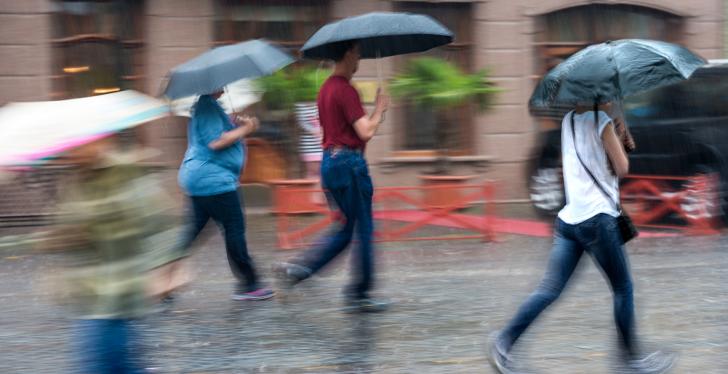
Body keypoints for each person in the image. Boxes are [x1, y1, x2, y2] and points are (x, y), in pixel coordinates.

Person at [488, 103, 673, 374]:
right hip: (598, 220)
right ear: (600, 94)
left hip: (569, 220)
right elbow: (622, 167)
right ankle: (631, 359)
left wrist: (618, 132)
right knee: (623, 289)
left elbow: (588, 160)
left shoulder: (569, 121)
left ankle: (504, 342)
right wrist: (617, 133)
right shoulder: (601, 121)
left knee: (548, 290)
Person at [40, 137, 185, 373]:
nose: (73, 151)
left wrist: (165, 268)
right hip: (88, 293)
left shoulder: (124, 174)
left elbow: (159, 223)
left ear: (100, 141)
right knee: (116, 364)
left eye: (81, 144)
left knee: (102, 363)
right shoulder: (75, 182)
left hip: (118, 290)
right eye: (71, 146)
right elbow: (69, 231)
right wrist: (62, 238)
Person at [274, 40, 390, 311]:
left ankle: (298, 270)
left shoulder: (325, 88)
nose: (360, 58)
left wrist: (374, 115)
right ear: (348, 53)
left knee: (346, 229)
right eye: (358, 52)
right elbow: (365, 132)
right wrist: (380, 109)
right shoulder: (346, 90)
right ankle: (359, 294)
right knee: (364, 230)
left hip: (330, 163)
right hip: (349, 165)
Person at [177, 91, 274, 301]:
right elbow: (216, 142)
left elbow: (215, 135)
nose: (226, 86)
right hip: (215, 181)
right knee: (234, 228)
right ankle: (249, 284)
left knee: (191, 233)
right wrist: (246, 129)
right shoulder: (207, 106)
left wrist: (233, 123)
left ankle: (159, 278)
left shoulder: (207, 106)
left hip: (202, 179)